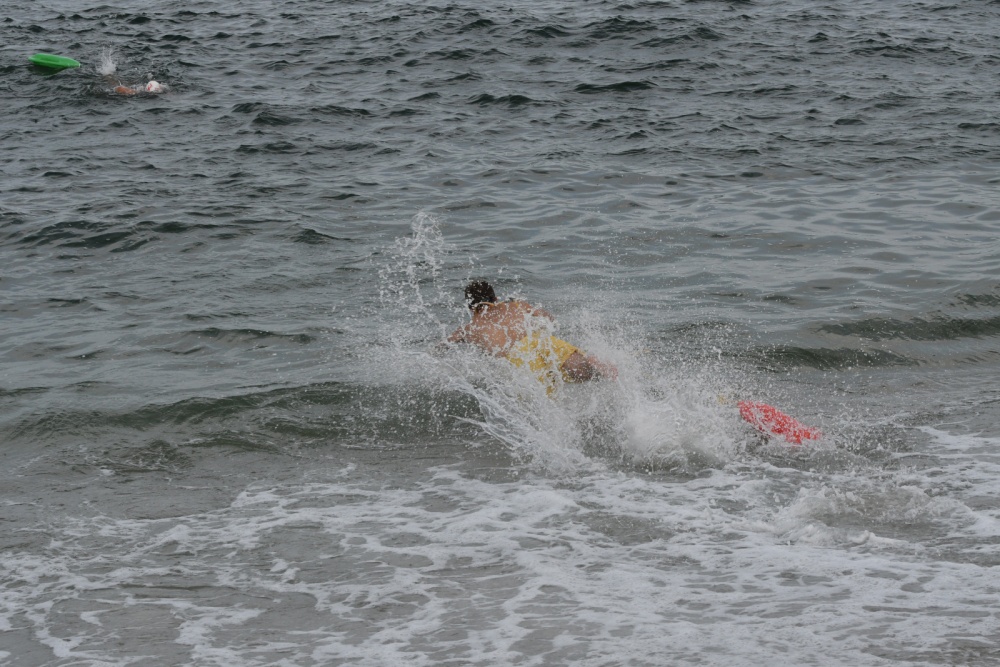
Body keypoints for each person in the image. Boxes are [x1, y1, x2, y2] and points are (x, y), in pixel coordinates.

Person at [446, 279, 617, 387]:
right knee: (582, 372)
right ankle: (592, 363)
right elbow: (550, 319)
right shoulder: (517, 305)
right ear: (496, 299)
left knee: (545, 402)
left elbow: (444, 346)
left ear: (470, 307)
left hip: (519, 357)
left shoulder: (469, 329)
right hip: (541, 341)